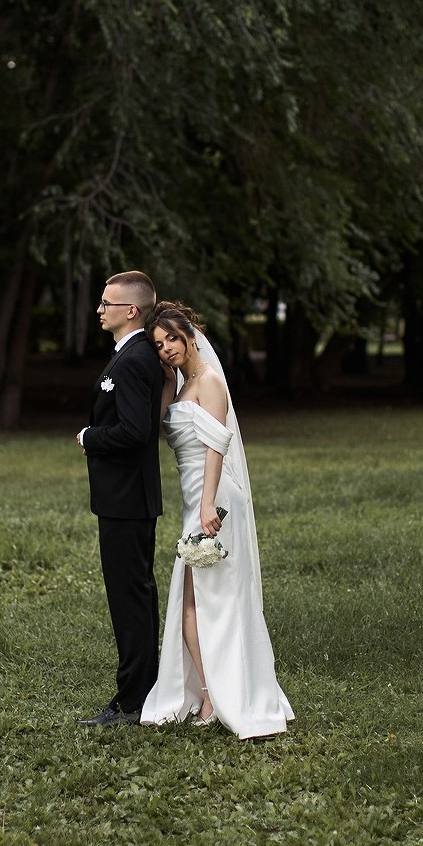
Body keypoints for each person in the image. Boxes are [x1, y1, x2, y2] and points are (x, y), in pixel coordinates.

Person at [141, 302, 293, 739]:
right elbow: (161, 424)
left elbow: (215, 447)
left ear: (190, 335)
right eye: (159, 344)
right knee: (191, 600)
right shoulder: (184, 384)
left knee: (211, 598)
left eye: (172, 338)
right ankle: (209, 690)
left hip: (215, 499)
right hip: (194, 499)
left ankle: (218, 694)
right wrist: (168, 383)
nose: (167, 348)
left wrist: (208, 505)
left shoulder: (211, 383)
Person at [76, 271, 164, 727]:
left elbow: (134, 431)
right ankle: (145, 691)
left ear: (131, 310)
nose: (99, 309)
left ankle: (132, 702)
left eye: (107, 303)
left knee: (129, 600)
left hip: (126, 498)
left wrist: (91, 436)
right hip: (126, 498)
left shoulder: (133, 360)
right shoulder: (133, 354)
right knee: (136, 596)